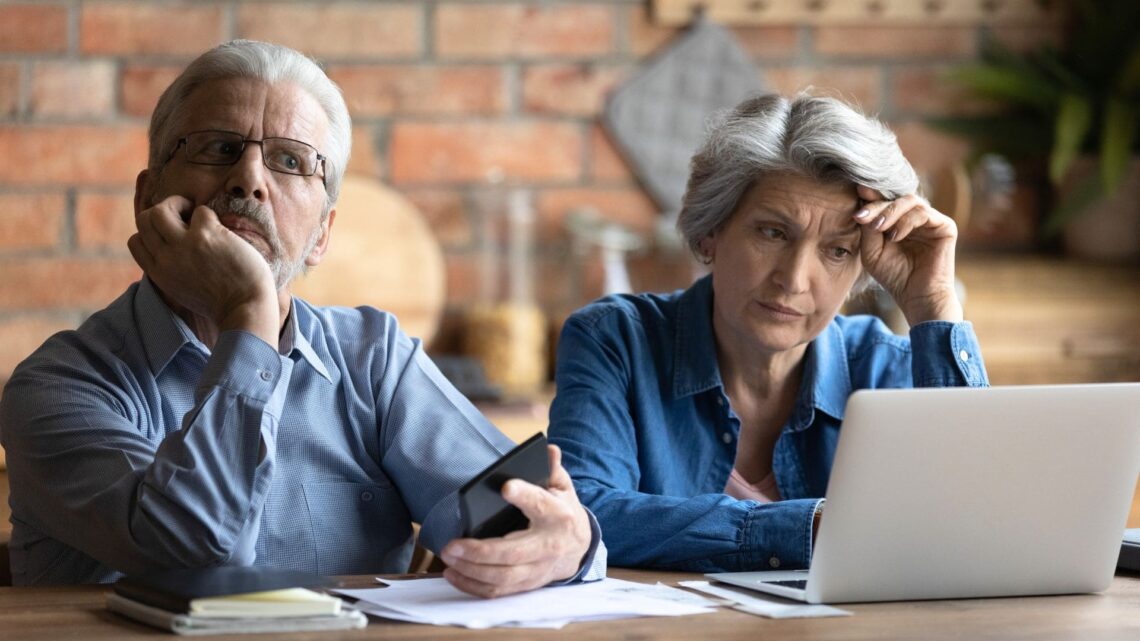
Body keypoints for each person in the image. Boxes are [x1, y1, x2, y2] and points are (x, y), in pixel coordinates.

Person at [0, 39, 604, 595]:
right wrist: (249, 317)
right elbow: (194, 556)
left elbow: (517, 509)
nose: (250, 179)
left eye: (290, 161)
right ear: (147, 197)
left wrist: (569, 544)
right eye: (218, 148)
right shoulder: (59, 386)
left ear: (322, 234)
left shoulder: (373, 359)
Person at [547, 93, 989, 573]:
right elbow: (582, 513)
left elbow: (977, 522)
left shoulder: (884, 366)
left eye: (838, 251)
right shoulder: (616, 341)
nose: (794, 279)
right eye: (773, 234)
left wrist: (934, 306)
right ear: (710, 233)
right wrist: (812, 528)